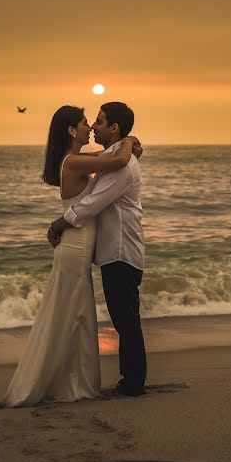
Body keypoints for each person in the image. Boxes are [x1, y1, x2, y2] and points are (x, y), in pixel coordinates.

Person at [5, 105, 140, 407]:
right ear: (70, 130)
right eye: (83, 123)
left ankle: (69, 378)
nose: (89, 127)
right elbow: (118, 159)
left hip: (78, 245)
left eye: (93, 122)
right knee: (73, 313)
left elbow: (110, 159)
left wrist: (128, 143)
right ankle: (69, 382)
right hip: (75, 246)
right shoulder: (72, 161)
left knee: (73, 312)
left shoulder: (78, 159)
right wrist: (129, 141)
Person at [48, 102, 147, 397]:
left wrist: (59, 223)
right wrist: (129, 142)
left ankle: (133, 383)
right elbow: (91, 191)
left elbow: (92, 203)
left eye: (100, 122)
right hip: (111, 250)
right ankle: (128, 379)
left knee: (125, 320)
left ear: (113, 128)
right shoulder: (110, 157)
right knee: (122, 318)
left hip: (120, 250)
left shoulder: (122, 163)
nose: (93, 127)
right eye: (89, 122)